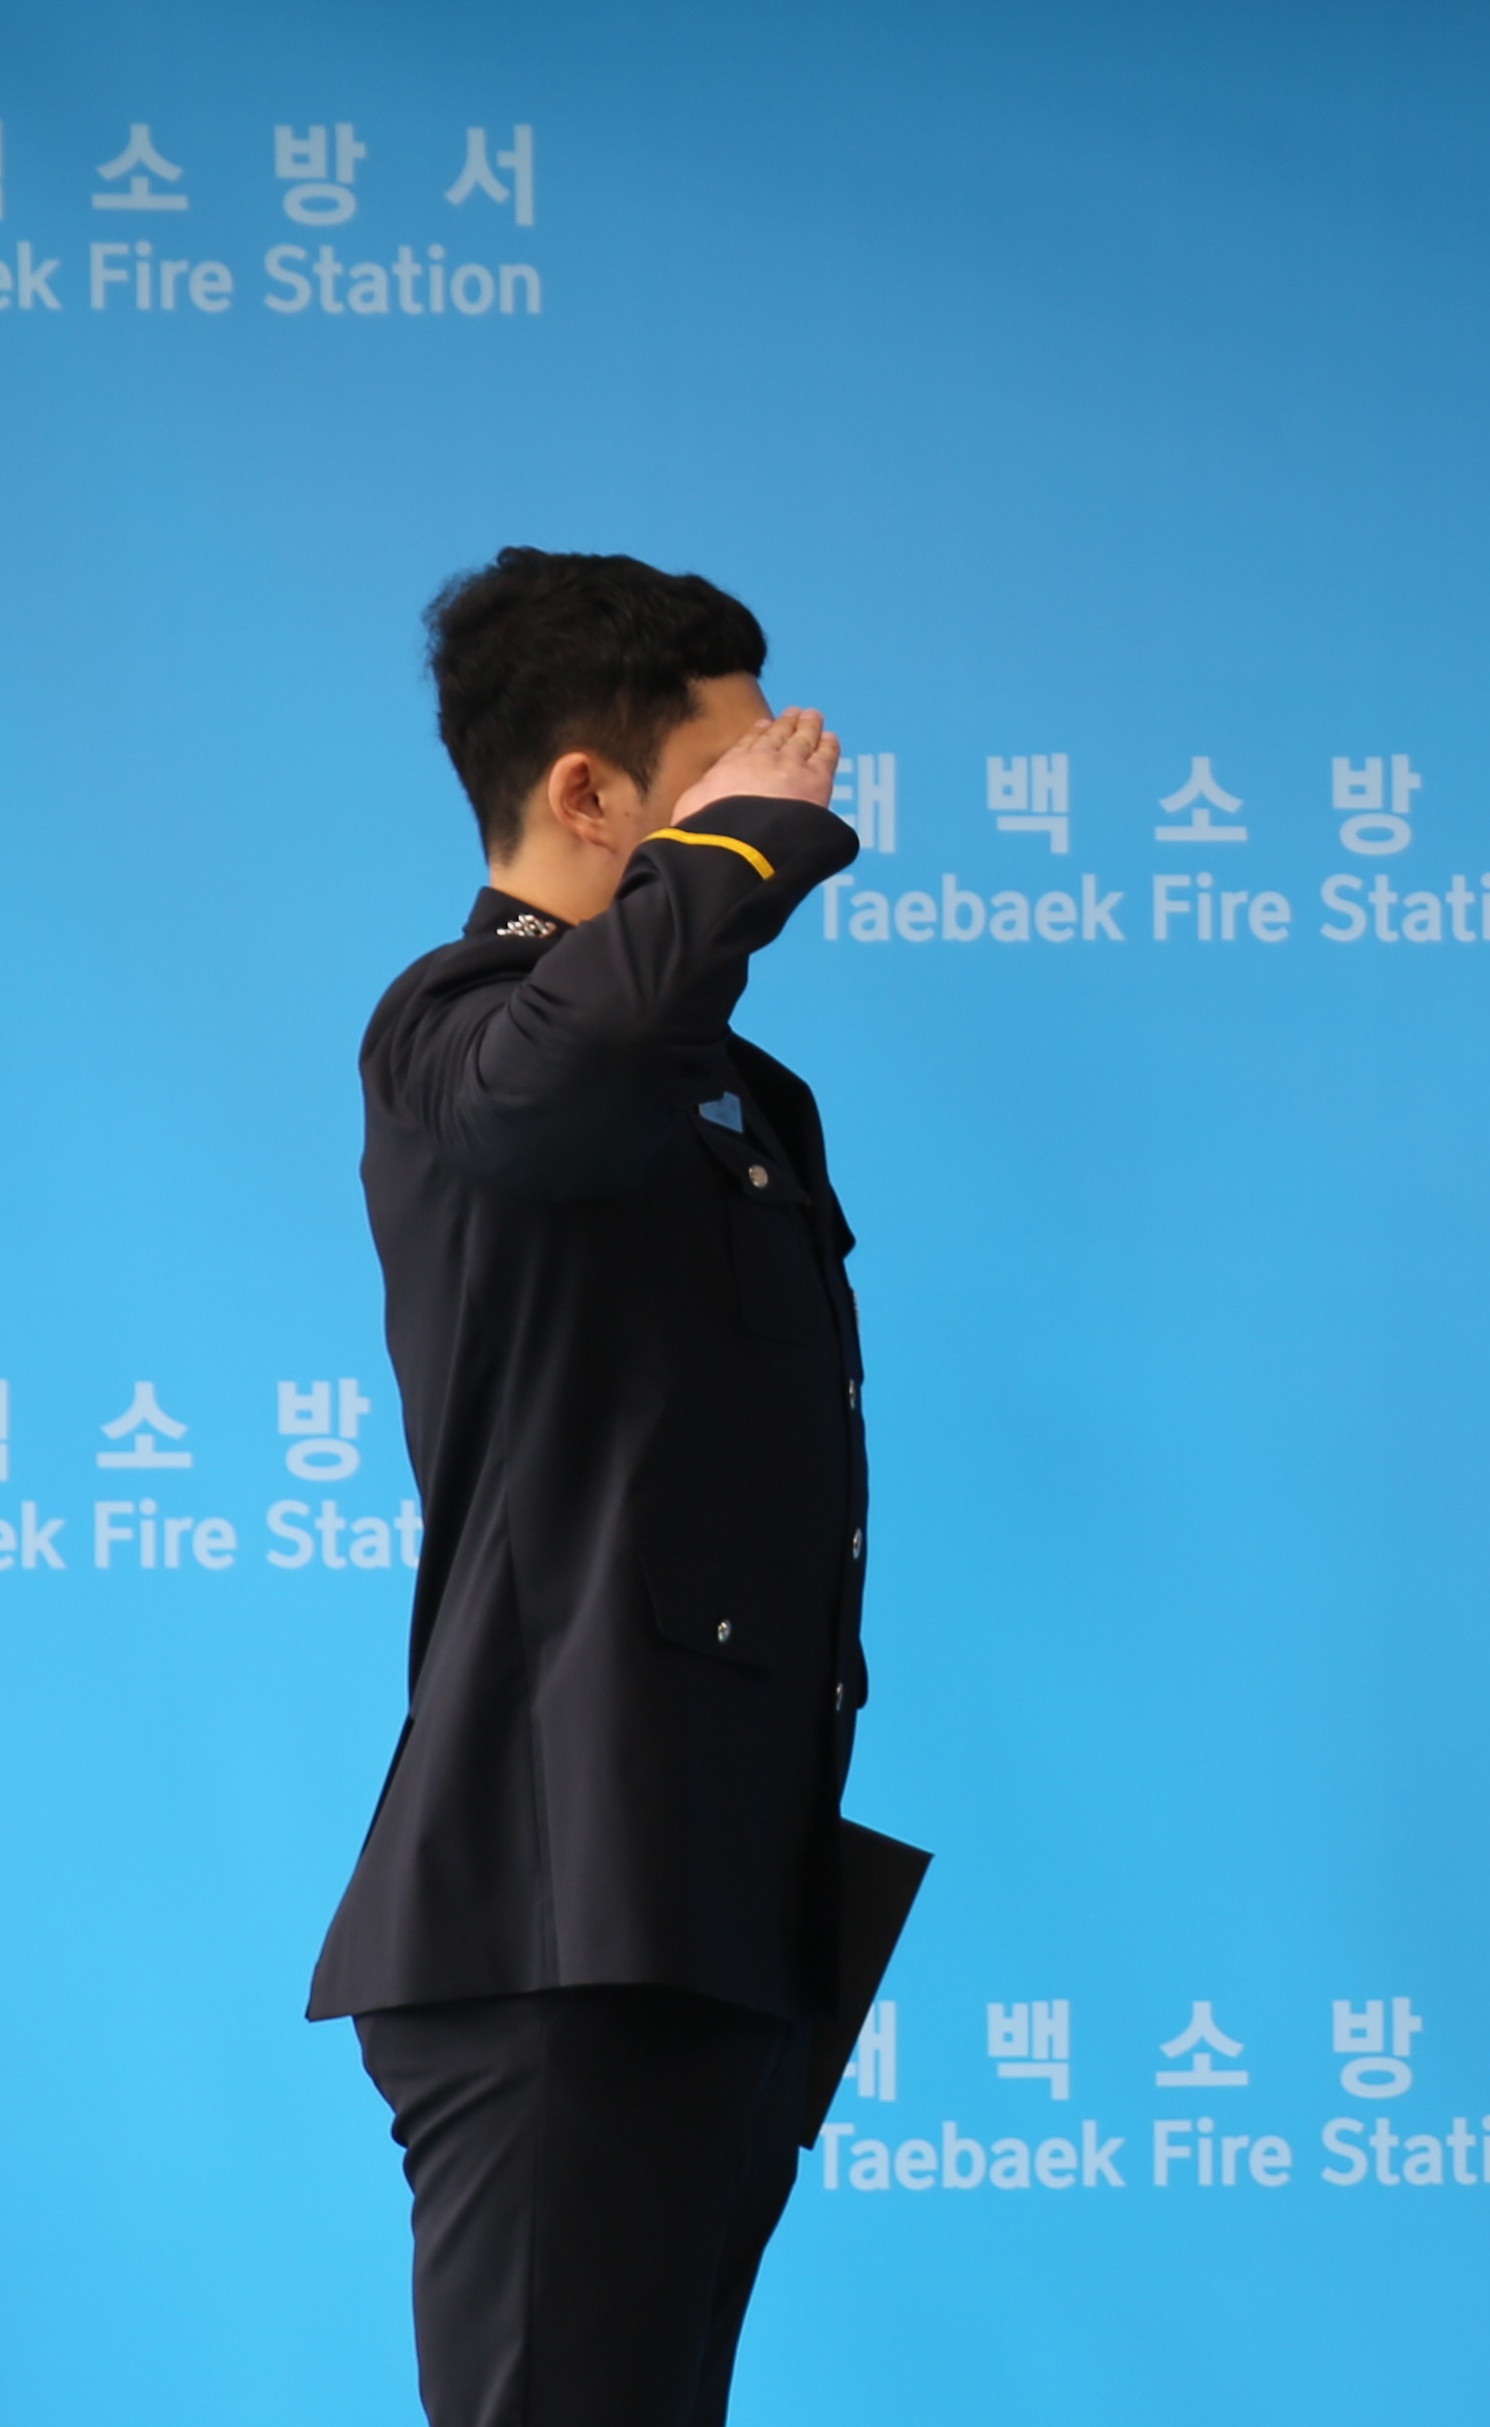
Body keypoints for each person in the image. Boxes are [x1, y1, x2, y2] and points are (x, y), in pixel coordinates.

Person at [305, 548, 870, 2426]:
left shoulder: (738, 1098)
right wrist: (746, 852)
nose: (796, 785)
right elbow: (572, 1068)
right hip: (559, 1906)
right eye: (735, 770)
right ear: (587, 794)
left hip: (711, 1900)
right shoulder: (458, 1026)